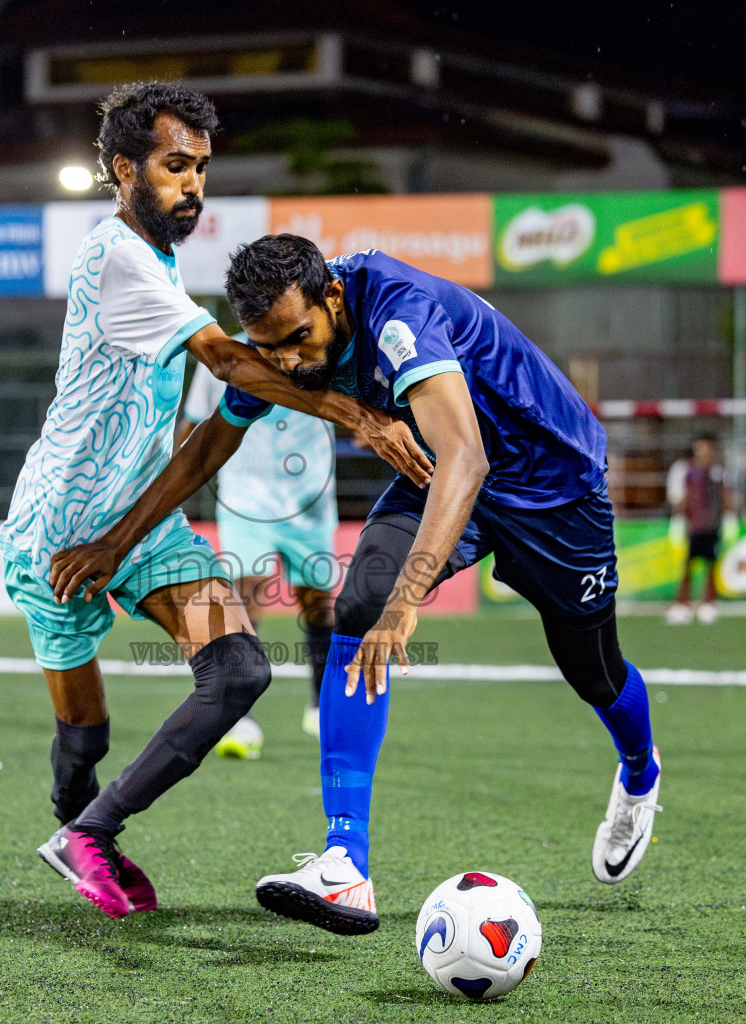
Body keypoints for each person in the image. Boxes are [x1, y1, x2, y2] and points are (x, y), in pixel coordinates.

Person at [51, 235, 663, 936]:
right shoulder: (289, 339)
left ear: (332, 297)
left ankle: (640, 773)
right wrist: (115, 541)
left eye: (299, 340)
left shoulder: (399, 315)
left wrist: (408, 605)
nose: (289, 362)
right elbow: (208, 448)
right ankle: (346, 864)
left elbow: (469, 456)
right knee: (357, 606)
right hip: (435, 476)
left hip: (551, 489)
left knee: (593, 670)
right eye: (271, 348)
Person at [0, 85, 430, 920]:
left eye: (200, 167)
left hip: (139, 524)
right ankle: (73, 821)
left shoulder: (158, 260)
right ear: (125, 171)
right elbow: (227, 364)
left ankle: (91, 834)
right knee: (83, 735)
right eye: (173, 166)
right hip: (54, 533)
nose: (193, 184)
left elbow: (210, 422)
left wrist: (127, 538)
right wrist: (354, 414)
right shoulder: (114, 255)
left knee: (238, 669)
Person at [178, 355, 340, 751]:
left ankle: (322, 707)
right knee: (246, 594)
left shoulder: (322, 349)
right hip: (244, 495)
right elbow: (196, 422)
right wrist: (169, 483)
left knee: (317, 603)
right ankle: (238, 716)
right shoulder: (223, 353)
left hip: (310, 500)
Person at [666, 434, 728, 625]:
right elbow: (681, 498)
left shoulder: (718, 472)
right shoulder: (687, 471)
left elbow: (724, 497)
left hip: (711, 525)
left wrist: (729, 517)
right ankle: (682, 603)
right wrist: (679, 518)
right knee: (687, 565)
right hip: (692, 526)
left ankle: (708, 603)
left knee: (711, 565)